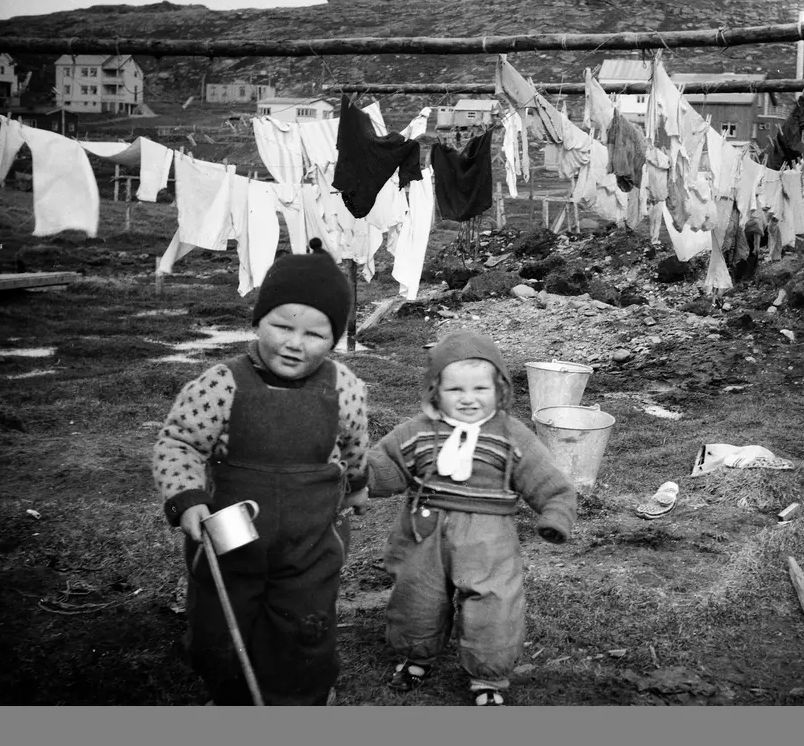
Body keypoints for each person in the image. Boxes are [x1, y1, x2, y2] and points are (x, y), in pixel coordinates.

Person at [152, 238, 372, 706]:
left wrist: (356, 487)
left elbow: (354, 445)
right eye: (282, 326)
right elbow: (180, 441)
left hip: (310, 541)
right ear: (259, 321)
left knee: (305, 623)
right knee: (222, 620)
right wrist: (187, 496)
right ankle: (232, 694)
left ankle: (304, 696)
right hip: (232, 537)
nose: (295, 344)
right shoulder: (223, 382)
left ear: (335, 337)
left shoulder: (345, 387)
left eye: (315, 334)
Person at [369, 330, 577, 706]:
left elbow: (548, 480)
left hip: (488, 536)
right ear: (435, 391)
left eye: (480, 389)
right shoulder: (418, 431)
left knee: (493, 605)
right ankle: (416, 656)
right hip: (423, 531)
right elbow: (386, 465)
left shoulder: (513, 436)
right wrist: (355, 472)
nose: (468, 399)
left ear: (500, 389)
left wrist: (555, 513)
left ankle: (488, 678)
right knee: (417, 596)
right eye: (454, 391)